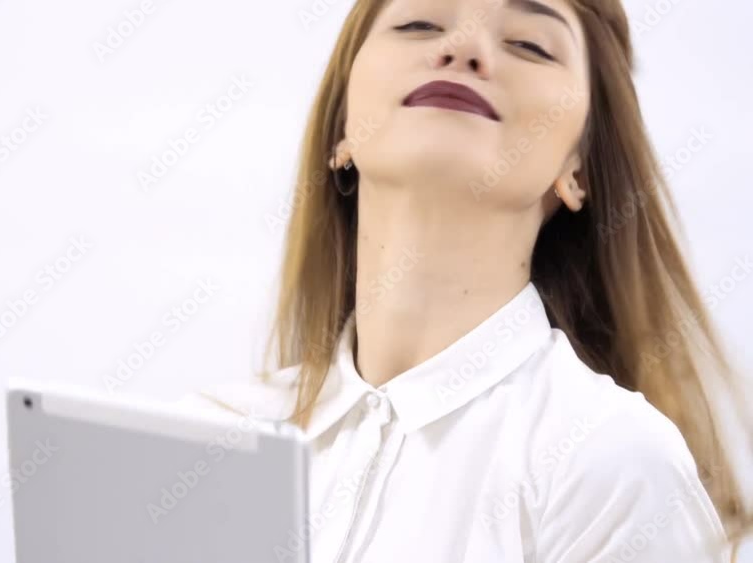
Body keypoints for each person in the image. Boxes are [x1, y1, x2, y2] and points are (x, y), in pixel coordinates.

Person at [179, 0, 753, 560]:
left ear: (578, 169)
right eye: (419, 23)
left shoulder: (612, 464)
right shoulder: (204, 443)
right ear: (342, 131)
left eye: (529, 45)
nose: (463, 48)